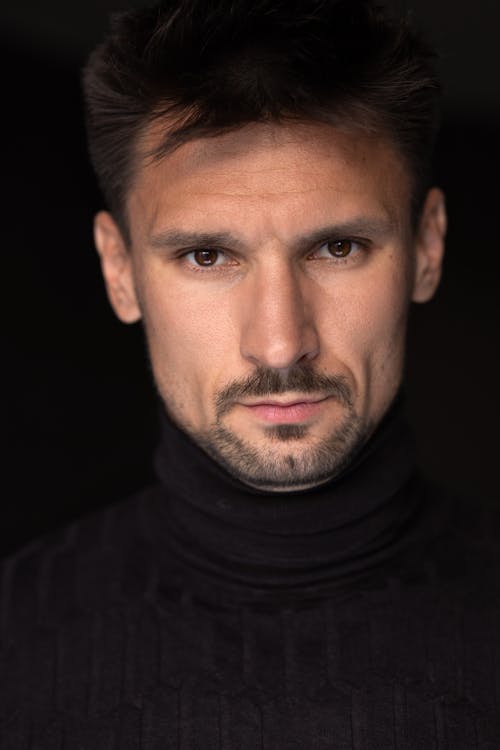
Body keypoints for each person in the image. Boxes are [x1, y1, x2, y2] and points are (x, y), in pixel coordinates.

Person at [1, 0, 498, 746]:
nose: (279, 344)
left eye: (337, 249)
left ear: (428, 248)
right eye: (207, 256)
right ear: (119, 271)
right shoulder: (14, 641)